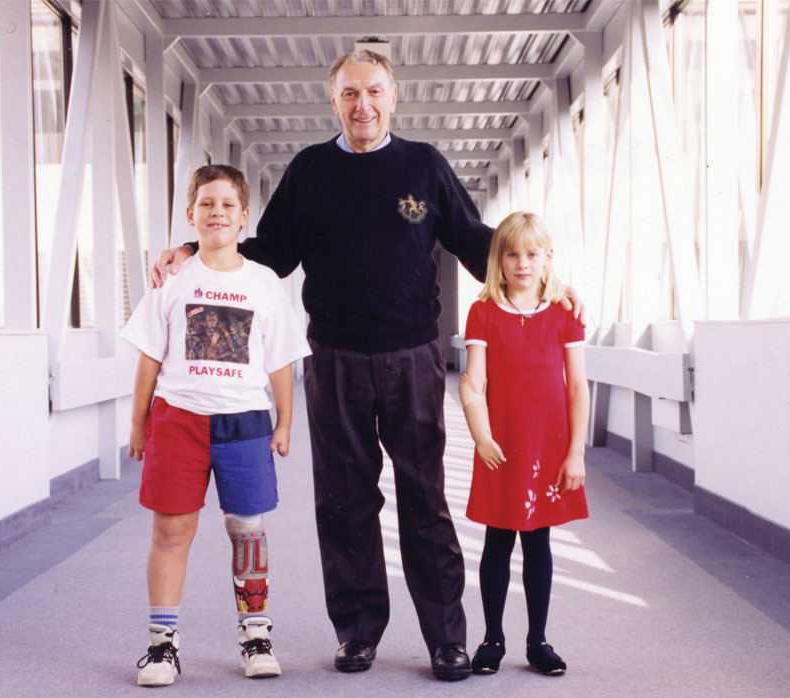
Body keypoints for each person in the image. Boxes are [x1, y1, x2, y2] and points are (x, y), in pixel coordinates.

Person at [151, 51, 581, 681]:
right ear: (334, 101)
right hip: (335, 360)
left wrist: (548, 277)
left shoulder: (424, 167)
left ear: (393, 96)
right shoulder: (310, 171)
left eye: (374, 92)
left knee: (424, 499)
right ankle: (356, 633)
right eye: (350, 94)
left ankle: (446, 640)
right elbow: (269, 254)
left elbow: (472, 239)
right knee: (344, 502)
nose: (363, 105)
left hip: (413, 357)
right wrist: (194, 248)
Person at [121, 164, 310, 687]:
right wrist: (138, 424)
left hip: (245, 421)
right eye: (206, 204)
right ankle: (162, 645)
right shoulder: (173, 278)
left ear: (244, 216)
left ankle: (256, 634)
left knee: (248, 530)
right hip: (178, 418)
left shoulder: (263, 283)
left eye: (228, 205)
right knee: (171, 531)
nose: (217, 213)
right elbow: (148, 359)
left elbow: (280, 361)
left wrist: (285, 422)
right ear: (190, 214)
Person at [458, 212, 589, 677]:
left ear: (547, 258)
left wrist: (575, 451)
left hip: (548, 444)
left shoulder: (563, 314)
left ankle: (538, 640)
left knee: (539, 542)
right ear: (499, 259)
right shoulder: (484, 312)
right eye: (511, 254)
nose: (522, 263)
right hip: (502, 443)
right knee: (497, 539)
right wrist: (481, 433)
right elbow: (473, 380)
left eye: (532, 254)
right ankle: (492, 638)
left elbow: (577, 387)